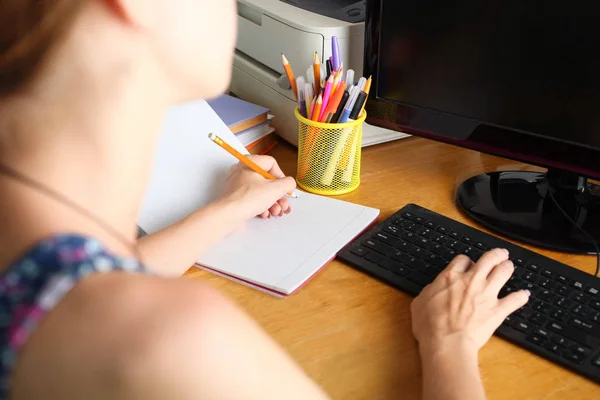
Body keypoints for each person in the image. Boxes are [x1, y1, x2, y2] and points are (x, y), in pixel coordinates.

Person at [0, 1, 531, 399]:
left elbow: (79, 285)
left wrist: (224, 212)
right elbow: (118, 321)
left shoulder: (36, 262)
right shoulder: (167, 342)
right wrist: (450, 344)